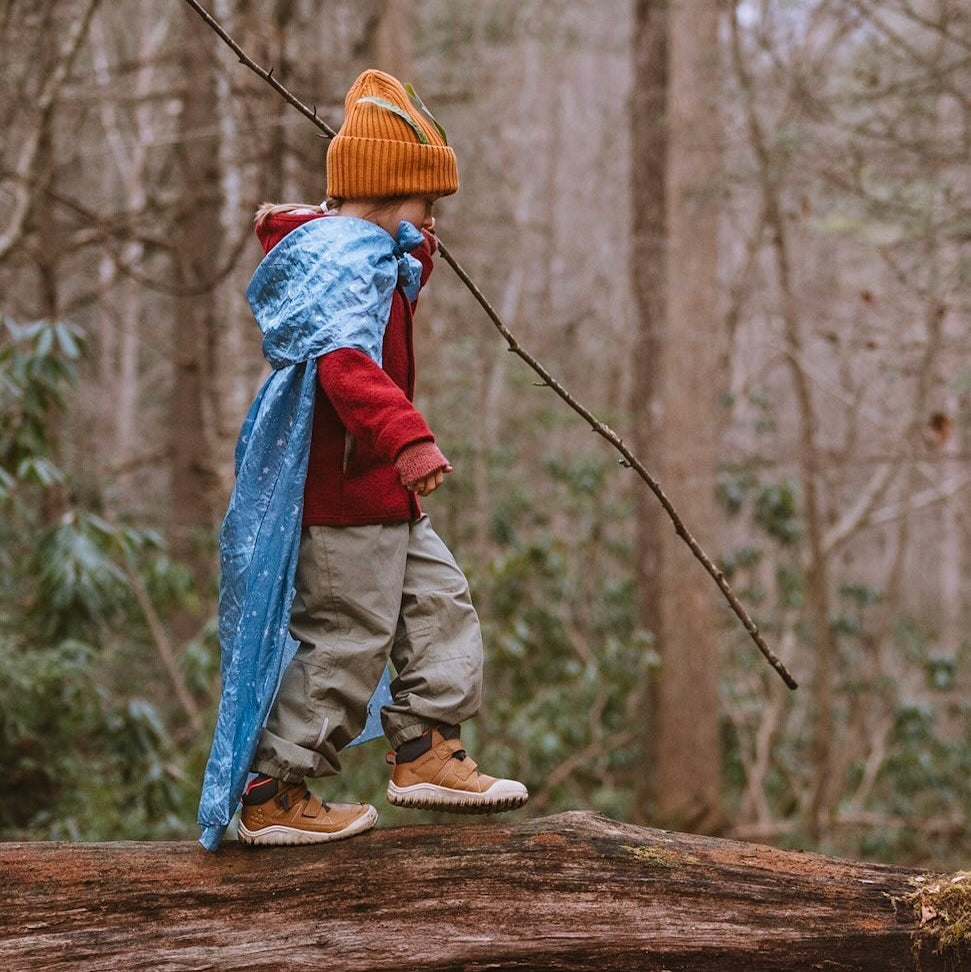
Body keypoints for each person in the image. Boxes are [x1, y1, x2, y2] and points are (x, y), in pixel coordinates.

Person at [198, 69, 527, 849]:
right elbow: (345, 362)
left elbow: (392, 284)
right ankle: (273, 788)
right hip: (345, 495)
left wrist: (414, 242)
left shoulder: (366, 252)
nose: (431, 223)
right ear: (385, 198)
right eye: (425, 206)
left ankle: (424, 749)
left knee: (441, 604)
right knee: (346, 639)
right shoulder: (343, 260)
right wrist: (407, 439)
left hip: (382, 496)